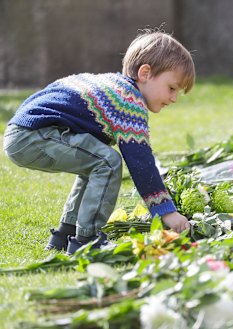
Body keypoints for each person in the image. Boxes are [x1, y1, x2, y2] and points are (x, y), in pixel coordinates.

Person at [2, 29, 195, 255]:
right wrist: (166, 211)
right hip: (32, 135)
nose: (173, 98)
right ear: (145, 73)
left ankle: (66, 234)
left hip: (23, 132)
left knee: (96, 161)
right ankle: (88, 240)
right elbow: (141, 164)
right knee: (107, 162)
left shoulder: (112, 87)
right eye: (171, 88)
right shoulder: (128, 100)